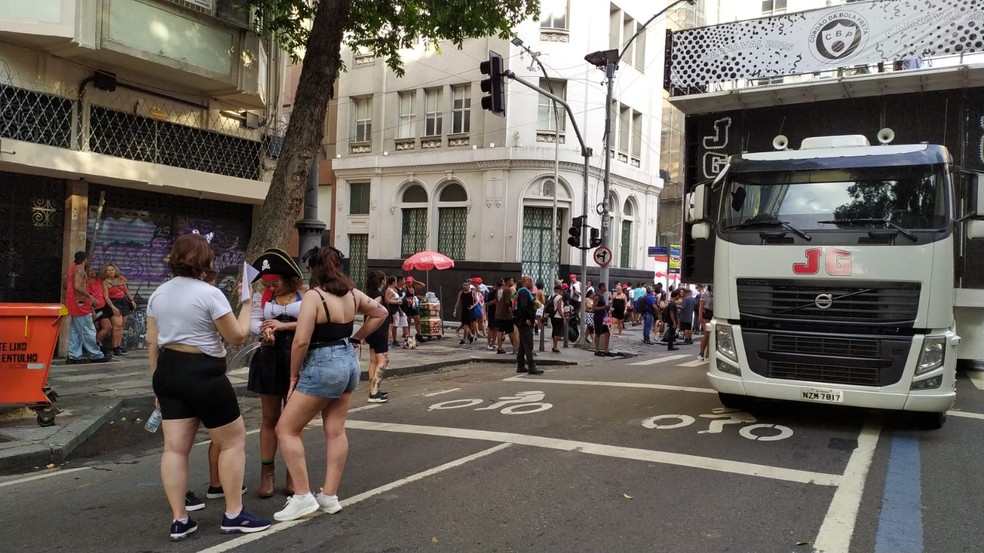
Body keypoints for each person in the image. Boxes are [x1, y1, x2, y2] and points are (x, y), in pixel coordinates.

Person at [147, 233, 270, 541]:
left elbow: (152, 341)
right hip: (203, 373)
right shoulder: (209, 293)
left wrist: (156, 385)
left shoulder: (158, 294)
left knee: (174, 449)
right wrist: (247, 302)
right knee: (232, 441)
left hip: (168, 371)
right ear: (205, 262)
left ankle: (180, 519)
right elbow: (238, 336)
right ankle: (233, 514)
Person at [273, 246, 388, 522]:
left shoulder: (314, 296)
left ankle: (302, 496)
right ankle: (329, 496)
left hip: (322, 363)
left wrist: (293, 376)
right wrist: (358, 337)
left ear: (313, 269)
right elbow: (381, 312)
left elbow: (302, 341)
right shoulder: (351, 293)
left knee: (286, 429)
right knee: (335, 430)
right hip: (348, 362)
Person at [247, 248, 305, 499]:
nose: (272, 287)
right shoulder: (263, 296)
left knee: (293, 420)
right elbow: (252, 320)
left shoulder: (306, 295)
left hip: (296, 356)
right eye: (267, 283)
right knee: (269, 417)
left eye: (275, 282)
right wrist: (263, 329)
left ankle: (293, 473)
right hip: (270, 357)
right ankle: (267, 474)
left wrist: (284, 325)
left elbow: (314, 322)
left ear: (288, 278)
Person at [65, 251, 111, 364]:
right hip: (81, 304)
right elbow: (77, 286)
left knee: (75, 331)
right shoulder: (80, 271)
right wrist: (90, 297)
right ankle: (95, 354)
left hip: (72, 302)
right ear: (85, 259)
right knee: (88, 330)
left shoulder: (70, 270)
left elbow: (65, 285)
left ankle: (73, 355)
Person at [365, 270, 391, 403]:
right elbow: (371, 311)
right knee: (383, 360)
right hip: (378, 331)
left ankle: (373, 389)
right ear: (381, 280)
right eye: (384, 278)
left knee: (373, 360)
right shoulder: (379, 295)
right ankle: (374, 393)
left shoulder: (370, 293)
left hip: (373, 331)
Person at [102, 263, 136, 356]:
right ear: (106, 272)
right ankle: (114, 346)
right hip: (114, 303)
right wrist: (113, 307)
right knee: (116, 326)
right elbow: (106, 296)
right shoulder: (105, 282)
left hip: (123, 302)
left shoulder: (120, 279)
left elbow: (126, 291)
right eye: (108, 270)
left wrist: (132, 300)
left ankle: (119, 345)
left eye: (112, 269)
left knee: (121, 326)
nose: (111, 271)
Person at [513, 275, 542, 375]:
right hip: (525, 322)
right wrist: (527, 319)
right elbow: (524, 307)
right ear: (525, 281)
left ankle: (520, 365)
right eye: (530, 281)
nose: (532, 283)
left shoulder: (522, 291)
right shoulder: (524, 292)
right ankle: (531, 366)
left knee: (523, 344)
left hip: (522, 321)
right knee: (529, 344)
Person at [87, 266, 114, 355]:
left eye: (93, 270)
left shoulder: (99, 280)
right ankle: (96, 345)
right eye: (90, 271)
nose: (93, 272)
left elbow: (119, 278)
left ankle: (97, 342)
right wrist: (92, 310)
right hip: (93, 309)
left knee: (107, 327)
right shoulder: (86, 283)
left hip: (102, 308)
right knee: (95, 328)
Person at [494, 277, 517, 354]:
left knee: (500, 331)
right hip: (506, 314)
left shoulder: (499, 289)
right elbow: (508, 302)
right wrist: (512, 308)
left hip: (498, 313)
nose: (512, 282)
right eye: (511, 281)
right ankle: (515, 347)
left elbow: (496, 301)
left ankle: (499, 348)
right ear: (507, 282)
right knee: (510, 330)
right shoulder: (508, 290)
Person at [452, 281, 477, 345]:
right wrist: (455, 310)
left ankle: (464, 340)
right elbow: (458, 302)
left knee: (466, 326)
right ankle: (471, 336)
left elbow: (477, 301)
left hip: (470, 311)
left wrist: (472, 306)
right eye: (464, 285)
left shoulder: (472, 293)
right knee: (464, 325)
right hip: (463, 311)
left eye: (466, 285)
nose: (465, 286)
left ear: (469, 286)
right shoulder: (461, 293)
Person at [592, 283, 611, 356]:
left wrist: (607, 308)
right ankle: (597, 350)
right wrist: (603, 307)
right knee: (598, 333)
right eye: (604, 286)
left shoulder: (602, 296)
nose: (605, 288)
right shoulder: (597, 297)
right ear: (601, 288)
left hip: (604, 317)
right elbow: (594, 308)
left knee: (607, 333)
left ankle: (606, 350)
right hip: (598, 317)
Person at [548, 285, 566, 353]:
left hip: (553, 316)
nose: (561, 291)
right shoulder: (559, 297)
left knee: (554, 330)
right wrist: (563, 317)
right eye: (561, 290)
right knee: (557, 332)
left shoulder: (551, 296)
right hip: (558, 316)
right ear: (558, 290)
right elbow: (559, 308)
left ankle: (554, 346)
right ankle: (555, 347)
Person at [698, 285, 714, 361]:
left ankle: (708, 352)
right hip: (707, 313)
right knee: (707, 333)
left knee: (712, 334)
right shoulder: (705, 293)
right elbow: (701, 305)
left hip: (715, 313)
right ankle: (701, 352)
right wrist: (700, 316)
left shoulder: (718, 292)